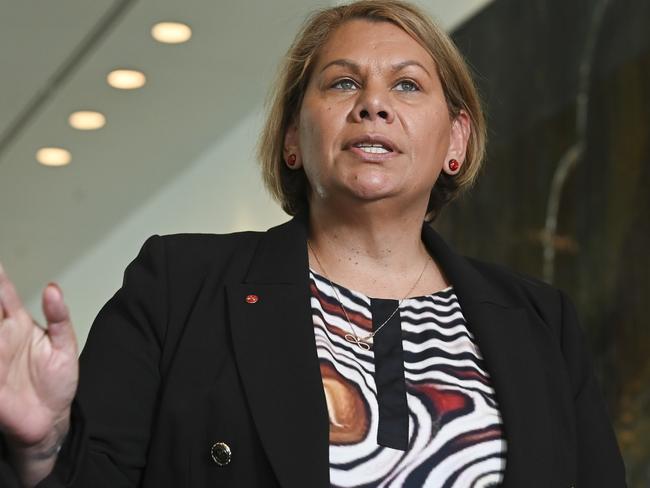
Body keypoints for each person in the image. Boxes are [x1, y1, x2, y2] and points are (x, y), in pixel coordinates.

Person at [0, 1, 626, 487]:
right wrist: (41, 445)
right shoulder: (179, 285)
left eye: (407, 85)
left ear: (455, 142)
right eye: (342, 84)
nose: (374, 104)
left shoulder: (543, 323)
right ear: (293, 140)